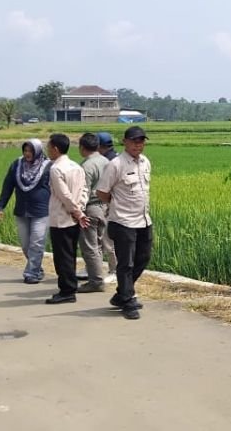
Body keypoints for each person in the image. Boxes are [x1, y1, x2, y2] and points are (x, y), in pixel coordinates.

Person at [96, 126, 153, 320]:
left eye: (141, 141)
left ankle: (122, 293)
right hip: (123, 221)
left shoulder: (145, 162)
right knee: (126, 263)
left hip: (144, 220)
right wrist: (117, 204)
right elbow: (101, 192)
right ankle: (127, 301)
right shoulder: (116, 164)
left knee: (143, 258)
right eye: (135, 141)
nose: (139, 145)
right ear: (125, 142)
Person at [0, 138, 53, 284]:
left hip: (42, 211)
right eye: (25, 150)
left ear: (38, 151)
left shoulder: (48, 166)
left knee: (37, 242)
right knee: (26, 245)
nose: (27, 154)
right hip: (22, 211)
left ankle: (31, 273)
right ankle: (37, 269)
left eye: (31, 151)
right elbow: (8, 186)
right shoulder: (17, 164)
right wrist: (0, 207)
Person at [44, 133, 90, 304]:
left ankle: (67, 290)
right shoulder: (76, 166)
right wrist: (80, 210)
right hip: (74, 218)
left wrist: (75, 212)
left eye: (49, 147)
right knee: (70, 254)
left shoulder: (56, 169)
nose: (48, 150)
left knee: (62, 256)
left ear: (55, 149)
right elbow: (84, 190)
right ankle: (69, 288)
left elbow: (64, 195)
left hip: (61, 218)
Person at [77, 132, 115, 291]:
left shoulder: (86, 166)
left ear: (82, 147)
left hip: (91, 208)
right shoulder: (106, 161)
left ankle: (96, 281)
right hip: (105, 207)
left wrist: (78, 212)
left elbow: (82, 191)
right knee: (98, 244)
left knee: (90, 246)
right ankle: (97, 276)